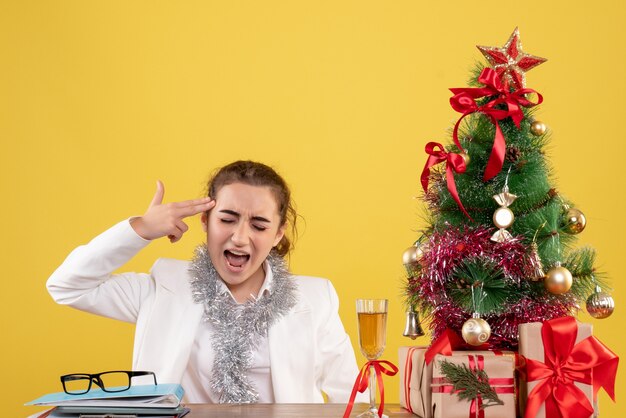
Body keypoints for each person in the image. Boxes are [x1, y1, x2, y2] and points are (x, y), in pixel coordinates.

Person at [47, 160, 362, 404]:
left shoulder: (316, 299)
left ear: (277, 234)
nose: (239, 237)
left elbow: (354, 400)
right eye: (227, 219)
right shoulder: (164, 288)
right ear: (205, 221)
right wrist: (141, 228)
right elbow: (67, 286)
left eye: (260, 225)